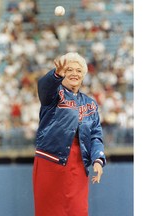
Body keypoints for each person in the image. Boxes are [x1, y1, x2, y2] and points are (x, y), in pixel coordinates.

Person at [32, 52, 106, 216]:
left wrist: (98, 159)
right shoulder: (53, 95)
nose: (74, 74)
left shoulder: (90, 104)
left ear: (84, 76)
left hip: (79, 164)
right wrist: (55, 74)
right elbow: (44, 87)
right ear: (63, 72)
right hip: (50, 162)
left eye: (79, 71)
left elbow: (95, 135)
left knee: (78, 211)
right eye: (69, 69)